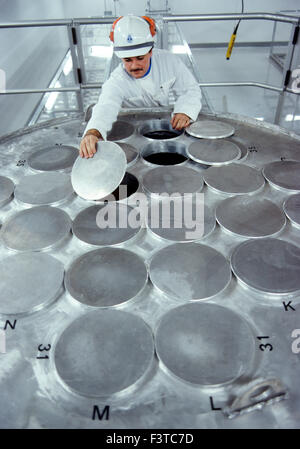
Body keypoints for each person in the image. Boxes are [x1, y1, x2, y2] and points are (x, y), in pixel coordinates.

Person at [79, 14, 202, 158]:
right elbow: (105, 106)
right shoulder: (117, 80)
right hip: (131, 135)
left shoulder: (169, 62)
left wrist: (185, 111)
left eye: (140, 58)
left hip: (162, 125)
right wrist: (93, 132)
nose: (134, 65)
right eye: (127, 60)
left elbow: (190, 89)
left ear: (150, 51)